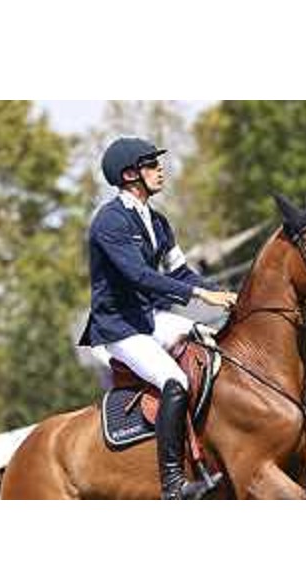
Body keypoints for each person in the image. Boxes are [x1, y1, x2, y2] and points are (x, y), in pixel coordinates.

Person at [78, 137, 237, 499]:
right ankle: (172, 482)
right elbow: (139, 276)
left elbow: (180, 273)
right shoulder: (109, 222)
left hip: (148, 318)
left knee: (209, 340)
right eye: (152, 164)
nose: (160, 169)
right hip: (118, 328)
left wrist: (224, 294)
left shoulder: (159, 222)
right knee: (174, 380)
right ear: (130, 174)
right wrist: (200, 295)